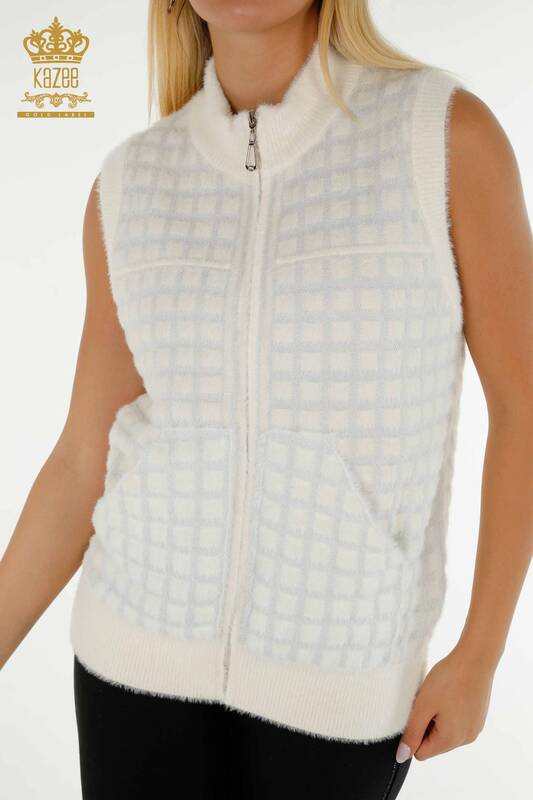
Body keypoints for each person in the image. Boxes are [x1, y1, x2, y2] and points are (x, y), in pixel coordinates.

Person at [1, 1, 532, 798]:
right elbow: (84, 457)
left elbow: (523, 407)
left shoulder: (440, 137)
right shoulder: (132, 181)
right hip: (129, 662)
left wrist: (480, 653)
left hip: (342, 685)